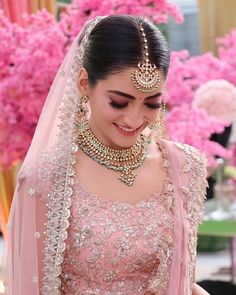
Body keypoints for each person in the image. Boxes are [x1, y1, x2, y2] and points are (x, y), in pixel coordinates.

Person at [3, 15, 210, 295]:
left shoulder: (184, 167)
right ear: (83, 83)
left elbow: (183, 282)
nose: (135, 118)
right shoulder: (46, 179)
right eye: (119, 102)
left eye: (152, 103)